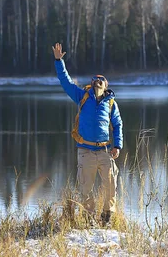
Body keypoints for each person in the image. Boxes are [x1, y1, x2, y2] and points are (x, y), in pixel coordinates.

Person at [52, 42, 123, 226]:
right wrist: (59, 61)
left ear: (106, 85)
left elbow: (117, 124)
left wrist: (117, 145)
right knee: (85, 190)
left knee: (111, 187)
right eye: (95, 78)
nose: (97, 80)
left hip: (105, 151)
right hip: (85, 151)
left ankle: (107, 217)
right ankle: (90, 219)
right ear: (91, 84)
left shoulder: (110, 103)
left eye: (101, 79)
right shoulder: (81, 96)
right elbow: (65, 82)